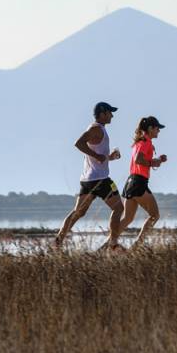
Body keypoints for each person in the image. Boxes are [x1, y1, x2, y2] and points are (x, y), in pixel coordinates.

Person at [53, 102, 123, 248]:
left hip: (89, 179)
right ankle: (113, 244)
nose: (112, 115)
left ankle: (57, 242)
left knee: (78, 212)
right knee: (119, 209)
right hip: (101, 180)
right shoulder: (96, 128)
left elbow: (99, 156)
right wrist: (97, 156)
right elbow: (78, 143)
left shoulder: (99, 129)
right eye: (110, 112)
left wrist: (110, 157)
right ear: (102, 113)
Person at [116, 116, 167, 248]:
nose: (159, 131)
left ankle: (108, 244)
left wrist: (157, 161)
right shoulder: (146, 141)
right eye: (157, 128)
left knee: (127, 218)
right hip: (138, 182)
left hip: (131, 181)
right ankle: (136, 247)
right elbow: (139, 160)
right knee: (155, 215)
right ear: (150, 129)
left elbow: (140, 161)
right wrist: (152, 162)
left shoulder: (140, 141)